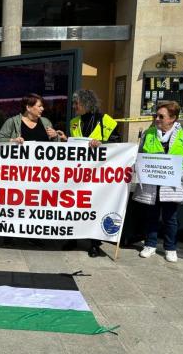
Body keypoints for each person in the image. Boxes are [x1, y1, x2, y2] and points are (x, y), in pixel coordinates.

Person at [0, 93, 66, 248]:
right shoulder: (13, 122)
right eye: (39, 106)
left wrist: (56, 136)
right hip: (17, 173)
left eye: (42, 106)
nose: (42, 109)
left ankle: (32, 234)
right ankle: (9, 233)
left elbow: (55, 147)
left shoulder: (46, 122)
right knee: (13, 203)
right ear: (28, 107)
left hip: (40, 174)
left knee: (35, 204)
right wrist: (13, 141)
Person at [134, 101, 183, 262]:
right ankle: (150, 244)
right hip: (151, 184)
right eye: (156, 115)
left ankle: (170, 248)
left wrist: (182, 175)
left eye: (161, 116)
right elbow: (138, 155)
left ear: (173, 118)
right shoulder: (148, 133)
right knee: (151, 215)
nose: (157, 118)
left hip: (172, 185)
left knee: (170, 218)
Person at [65, 89, 121, 257]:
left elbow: (118, 144)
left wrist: (102, 143)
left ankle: (94, 244)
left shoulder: (107, 121)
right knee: (74, 206)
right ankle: (72, 238)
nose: (74, 107)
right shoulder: (74, 122)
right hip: (78, 173)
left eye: (77, 104)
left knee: (95, 206)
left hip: (98, 174)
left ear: (87, 104)